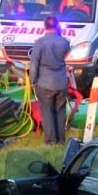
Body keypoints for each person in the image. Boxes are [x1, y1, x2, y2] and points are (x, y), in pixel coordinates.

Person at [30, 16, 71, 144]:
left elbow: (34, 64)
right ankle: (61, 140)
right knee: (60, 111)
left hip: (44, 83)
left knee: (46, 111)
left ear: (44, 26)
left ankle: (50, 141)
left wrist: (33, 80)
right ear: (57, 26)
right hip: (61, 82)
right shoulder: (64, 42)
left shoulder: (39, 43)